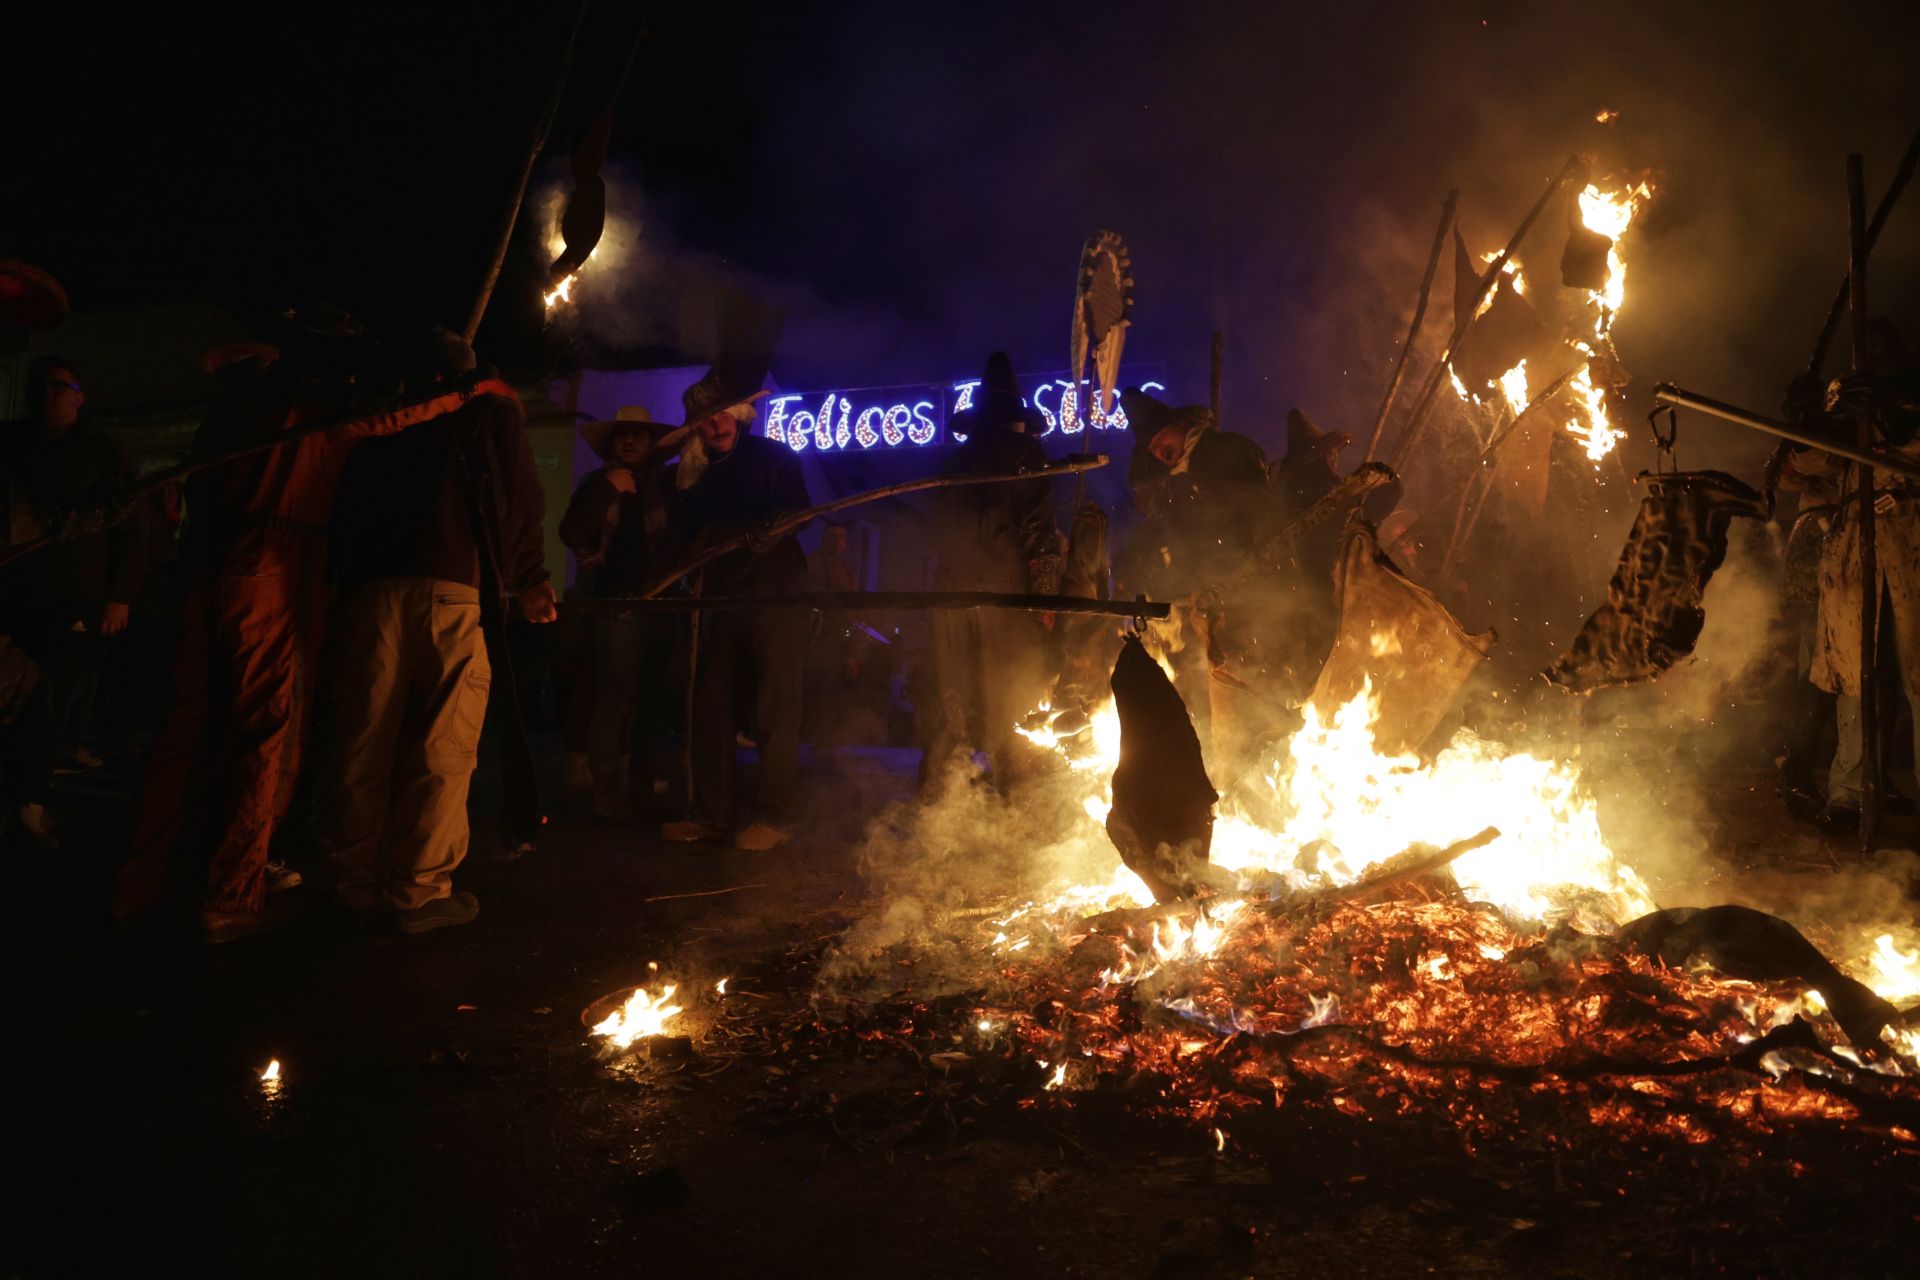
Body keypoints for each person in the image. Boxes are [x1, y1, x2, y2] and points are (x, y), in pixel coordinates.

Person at [113, 310, 504, 941]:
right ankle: (232, 893)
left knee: (183, 735)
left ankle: (140, 888)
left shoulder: (220, 425)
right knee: (268, 729)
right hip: (271, 572)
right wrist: (469, 389)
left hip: (201, 575)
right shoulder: (300, 413)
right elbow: (390, 418)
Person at [316, 332, 555, 933]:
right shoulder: (488, 409)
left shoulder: (374, 422)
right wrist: (528, 578)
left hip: (369, 594)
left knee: (364, 743)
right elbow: (517, 500)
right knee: (441, 747)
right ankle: (418, 891)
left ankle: (356, 880)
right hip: (448, 588)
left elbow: (338, 508)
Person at [0, 356, 147, 841]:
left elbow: (130, 527)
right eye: (40, 386)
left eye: (60, 386)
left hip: (72, 595)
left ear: (80, 396)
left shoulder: (104, 452)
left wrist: (118, 596)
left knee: (51, 697)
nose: (47, 395)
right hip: (11, 590)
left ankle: (30, 800)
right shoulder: (10, 444)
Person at [660, 371, 808, 851]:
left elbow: (796, 512)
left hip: (776, 597)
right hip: (721, 600)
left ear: (740, 415)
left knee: (774, 708)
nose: (715, 425)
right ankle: (710, 814)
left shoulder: (775, 458)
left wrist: (773, 530)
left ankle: (774, 816)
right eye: (704, 421)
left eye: (722, 414)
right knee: (712, 708)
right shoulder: (697, 475)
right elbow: (682, 537)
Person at [1797, 323, 1920, 830]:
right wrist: (1815, 417)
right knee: (1856, 678)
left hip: (1913, 556)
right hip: (1853, 564)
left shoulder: (1908, 412)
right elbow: (1808, 465)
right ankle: (1849, 791)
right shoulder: (1846, 417)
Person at [920, 351, 1059, 794]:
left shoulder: (954, 462)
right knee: (1009, 701)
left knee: (953, 698)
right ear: (1017, 420)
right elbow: (1039, 534)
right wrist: (1046, 603)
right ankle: (1012, 794)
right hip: (1006, 596)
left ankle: (939, 794)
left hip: (951, 595)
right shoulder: (1028, 455)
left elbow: (935, 533)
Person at [558, 406, 686, 821]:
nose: (629, 441)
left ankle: (641, 788)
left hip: (663, 606)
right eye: (621, 435)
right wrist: (608, 490)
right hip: (615, 606)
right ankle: (607, 792)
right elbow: (571, 533)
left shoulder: (666, 484)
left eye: (637, 434)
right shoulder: (597, 483)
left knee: (653, 704)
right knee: (613, 700)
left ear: (651, 443)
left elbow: (682, 539)